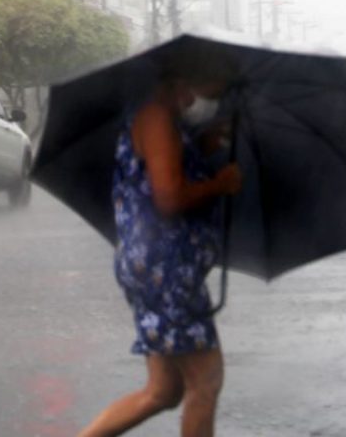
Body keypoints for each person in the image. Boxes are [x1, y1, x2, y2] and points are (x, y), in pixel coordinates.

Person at [79, 55, 242, 437]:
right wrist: (221, 184)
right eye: (209, 94)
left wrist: (202, 144)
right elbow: (168, 198)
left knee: (163, 391)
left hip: (157, 265)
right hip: (166, 268)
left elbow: (163, 169)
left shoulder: (167, 123)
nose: (208, 104)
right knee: (206, 382)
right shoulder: (157, 119)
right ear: (181, 83)